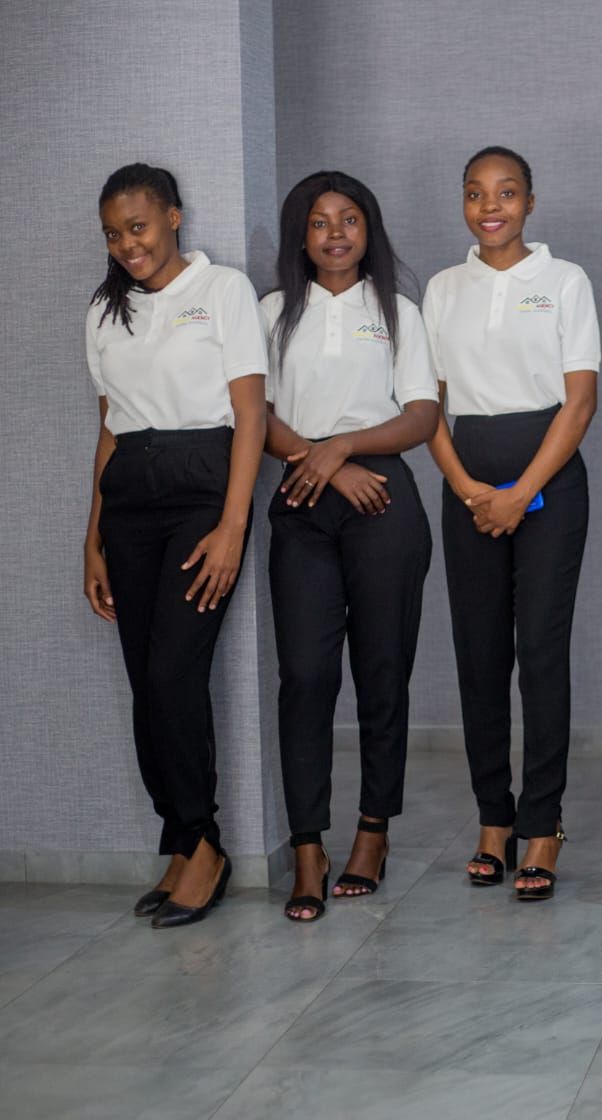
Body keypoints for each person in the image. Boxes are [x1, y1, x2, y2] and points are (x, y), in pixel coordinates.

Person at [83, 163, 267, 929]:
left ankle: (205, 843)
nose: (129, 245)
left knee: (172, 675)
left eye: (139, 226)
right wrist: (91, 538)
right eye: (115, 234)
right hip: (129, 502)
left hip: (201, 494)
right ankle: (182, 840)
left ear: (174, 218)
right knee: (142, 681)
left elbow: (250, 417)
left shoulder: (222, 292)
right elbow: (108, 424)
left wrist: (232, 526)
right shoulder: (103, 311)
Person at [260, 171, 437, 921]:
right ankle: (308, 846)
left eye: (350, 219)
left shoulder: (397, 312)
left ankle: (372, 832)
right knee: (304, 676)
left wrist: (345, 450)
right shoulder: (271, 313)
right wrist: (324, 463)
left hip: (383, 498)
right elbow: (253, 411)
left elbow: (423, 415)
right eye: (319, 221)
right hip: (302, 501)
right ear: (300, 235)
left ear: (370, 231)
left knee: (382, 671)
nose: (335, 232)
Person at [423, 146, 598, 901]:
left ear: (530, 200)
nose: (489, 205)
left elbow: (581, 401)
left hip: (548, 479)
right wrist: (467, 487)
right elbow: (425, 402)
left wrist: (519, 488)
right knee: (480, 654)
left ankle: (542, 825)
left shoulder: (564, 282)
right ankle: (493, 820)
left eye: (505, 192)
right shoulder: (440, 289)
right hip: (467, 479)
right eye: (474, 193)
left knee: (540, 651)